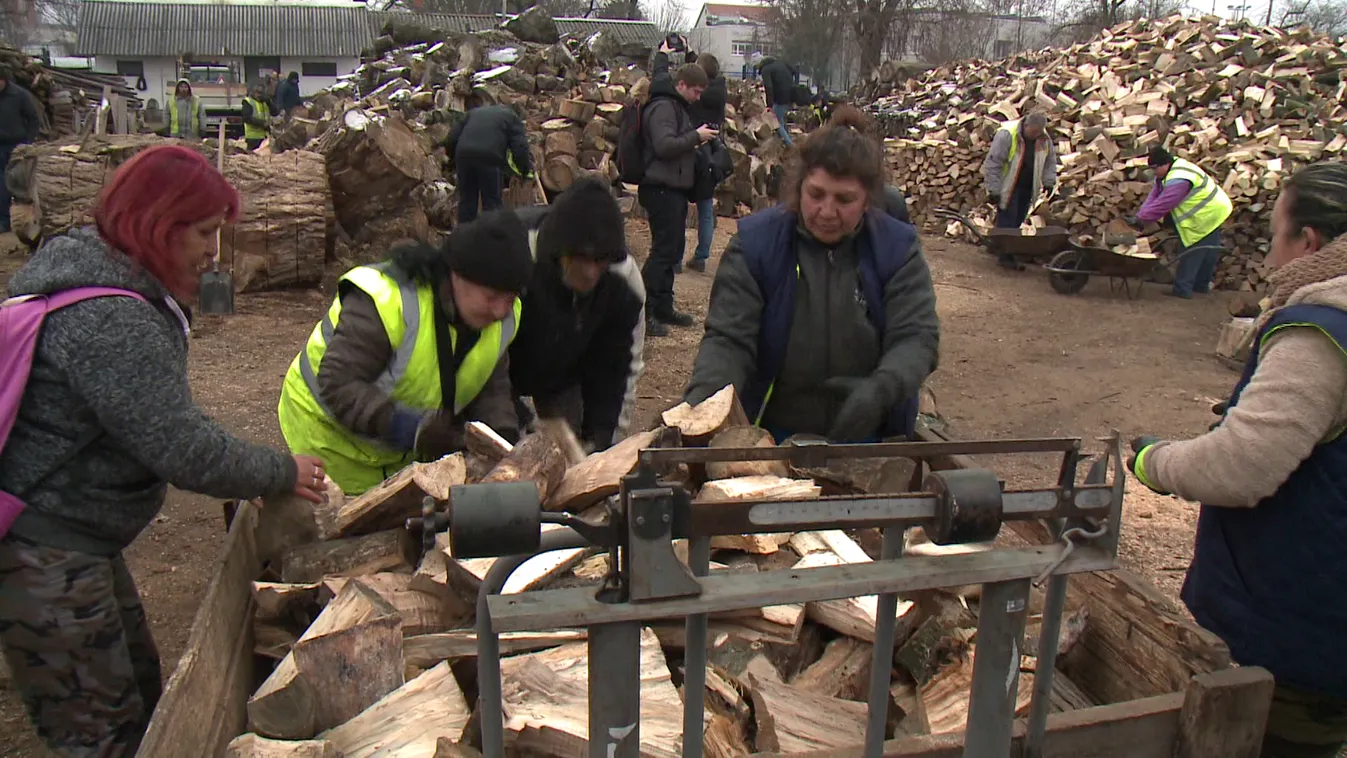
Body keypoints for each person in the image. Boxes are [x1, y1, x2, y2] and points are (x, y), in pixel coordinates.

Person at [0, 145, 325, 756]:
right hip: (45, 550)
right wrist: (278, 469)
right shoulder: (109, 319)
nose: (212, 252)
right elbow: (179, 447)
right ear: (158, 224)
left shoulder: (107, 283)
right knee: (101, 731)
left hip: (76, 541)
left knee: (140, 694)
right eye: (204, 233)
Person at [1127, 161, 1347, 757]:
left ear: (1308, 241)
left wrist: (1155, 463)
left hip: (1294, 617)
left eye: (1276, 236)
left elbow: (1240, 468)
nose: (1270, 257)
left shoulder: (1321, 333)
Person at [683, 106, 938, 442]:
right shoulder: (756, 245)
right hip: (771, 433)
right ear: (799, 187)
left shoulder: (896, 248)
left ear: (868, 201)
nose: (827, 211)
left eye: (845, 199)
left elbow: (917, 336)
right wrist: (702, 405)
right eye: (816, 194)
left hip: (870, 430)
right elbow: (729, 340)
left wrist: (881, 390)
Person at [277, 210, 530, 496]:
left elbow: (490, 385)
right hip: (329, 447)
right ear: (457, 275)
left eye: (509, 298)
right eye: (491, 297)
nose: (501, 310)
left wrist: (503, 439)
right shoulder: (387, 300)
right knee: (350, 534)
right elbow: (339, 384)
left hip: (402, 457)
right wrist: (412, 429)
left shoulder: (505, 317)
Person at [509, 178, 645, 452]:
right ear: (560, 252)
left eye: (600, 261)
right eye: (580, 259)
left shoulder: (624, 281)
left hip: (567, 373)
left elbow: (620, 367)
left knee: (572, 457)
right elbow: (482, 353)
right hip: (504, 364)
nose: (591, 272)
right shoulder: (515, 253)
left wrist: (604, 441)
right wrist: (521, 422)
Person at [638, 60, 714, 338]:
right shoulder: (663, 107)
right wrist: (696, 136)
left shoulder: (676, 107)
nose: (698, 97)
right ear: (680, 85)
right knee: (663, 251)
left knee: (672, 249)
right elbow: (664, 145)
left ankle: (662, 306)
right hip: (660, 187)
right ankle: (643, 312)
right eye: (695, 91)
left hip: (673, 188)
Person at [1127, 146, 1232, 299]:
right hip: (1215, 210)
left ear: (1164, 164)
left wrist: (1142, 220)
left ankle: (1183, 290)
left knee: (1192, 252)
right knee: (1208, 250)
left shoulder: (1178, 180)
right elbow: (1154, 196)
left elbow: (1163, 203)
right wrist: (1140, 215)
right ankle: (1201, 285)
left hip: (1205, 215)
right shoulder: (1172, 168)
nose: (1154, 172)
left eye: (1155, 169)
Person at [981, 111, 1058, 268]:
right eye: (1033, 132)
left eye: (1039, 132)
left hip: (1028, 185)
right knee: (1008, 218)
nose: (1036, 135)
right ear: (1026, 125)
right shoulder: (1007, 135)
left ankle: (998, 246)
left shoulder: (1044, 139)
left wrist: (1049, 182)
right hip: (1008, 185)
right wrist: (993, 189)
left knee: (1018, 218)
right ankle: (1005, 256)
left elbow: (1050, 162)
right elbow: (993, 163)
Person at [448, 102, 532, 224]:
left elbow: (452, 137)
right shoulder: (512, 118)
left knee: (467, 201)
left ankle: (464, 237)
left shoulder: (475, 112)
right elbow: (519, 148)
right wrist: (524, 169)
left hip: (464, 155)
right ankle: (492, 238)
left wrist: (452, 160)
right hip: (489, 156)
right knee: (492, 203)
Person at [685, 52, 727, 274]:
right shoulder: (720, 91)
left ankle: (675, 257)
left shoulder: (698, 95)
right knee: (705, 207)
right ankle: (701, 256)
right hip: (711, 153)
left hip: (692, 147)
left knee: (680, 204)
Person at [0, 69, 39, 234]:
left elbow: (33, 118)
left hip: (16, 146)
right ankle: (3, 221)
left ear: (3, 80)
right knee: (1, 184)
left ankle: (24, 221)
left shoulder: (19, 95)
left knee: (18, 184)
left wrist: (27, 142)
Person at [757, 55, 797, 146]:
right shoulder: (780, 63)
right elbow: (794, 70)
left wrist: (769, 106)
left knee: (776, 123)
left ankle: (790, 145)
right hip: (790, 94)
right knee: (780, 119)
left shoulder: (766, 70)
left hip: (780, 97)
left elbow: (769, 88)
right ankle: (784, 142)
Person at [240, 82, 272, 151]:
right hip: (253, 138)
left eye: (261, 93)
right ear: (253, 93)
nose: (259, 95)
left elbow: (275, 112)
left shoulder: (264, 102)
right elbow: (246, 118)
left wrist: (269, 102)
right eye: (258, 93)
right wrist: (262, 123)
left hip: (264, 136)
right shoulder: (248, 102)